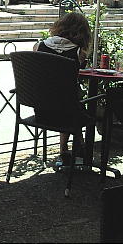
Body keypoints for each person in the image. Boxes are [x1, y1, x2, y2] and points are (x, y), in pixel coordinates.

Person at [33, 12, 92, 163]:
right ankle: (74, 149)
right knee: (74, 106)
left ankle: (67, 150)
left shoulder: (39, 46)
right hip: (66, 115)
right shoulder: (79, 54)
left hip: (41, 111)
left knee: (66, 101)